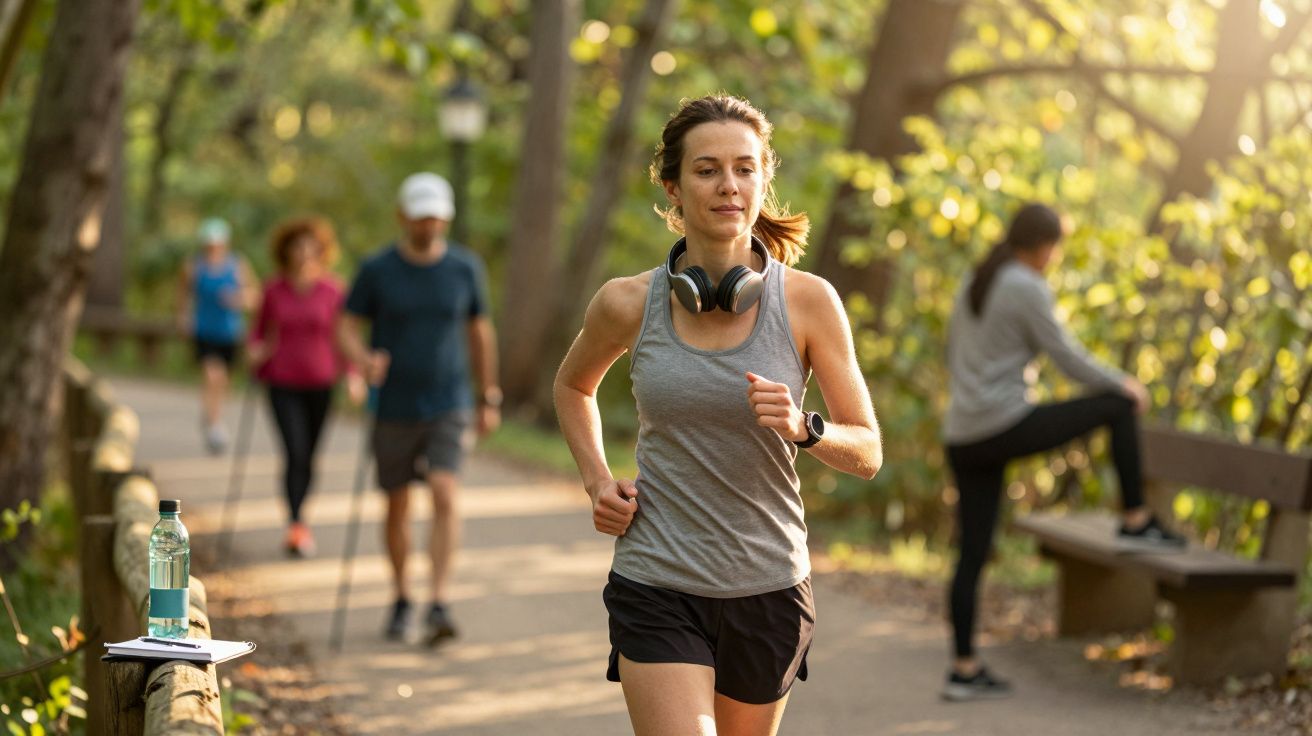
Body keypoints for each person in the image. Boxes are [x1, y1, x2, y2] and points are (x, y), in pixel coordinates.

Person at [554, 95, 883, 736]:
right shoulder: (625, 303)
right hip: (657, 578)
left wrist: (804, 427)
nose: (728, 185)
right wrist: (597, 479)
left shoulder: (811, 302)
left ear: (764, 179)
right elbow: (572, 386)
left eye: (744, 168)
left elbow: (868, 451)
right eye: (707, 170)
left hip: (770, 586)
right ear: (674, 187)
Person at [941, 202, 1185, 702]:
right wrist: (1123, 383)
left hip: (963, 435)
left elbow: (953, 353)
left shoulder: (977, 280)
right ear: (1044, 246)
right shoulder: (1024, 284)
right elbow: (1067, 357)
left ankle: (963, 669)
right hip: (1002, 425)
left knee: (971, 555)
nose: (1055, 258)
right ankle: (1136, 517)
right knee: (1117, 406)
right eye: (1056, 248)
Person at [337, 172, 501, 646]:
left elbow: (479, 332)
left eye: (437, 217)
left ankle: (439, 600)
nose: (429, 225)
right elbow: (346, 326)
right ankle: (402, 595)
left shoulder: (465, 268)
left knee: (445, 492)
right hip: (393, 404)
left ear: (445, 218)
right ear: (402, 216)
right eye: (421, 216)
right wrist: (363, 359)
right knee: (397, 503)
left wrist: (489, 394)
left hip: (449, 400)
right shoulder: (377, 269)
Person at [247, 217, 364, 557]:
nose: (303, 252)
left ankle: (301, 519)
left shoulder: (333, 290)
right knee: (295, 451)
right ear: (286, 250)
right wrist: (255, 350)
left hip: (322, 383)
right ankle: (296, 524)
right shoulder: (273, 289)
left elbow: (344, 336)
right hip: (281, 381)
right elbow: (257, 331)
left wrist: (353, 374)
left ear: (321, 250)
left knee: (309, 455)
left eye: (310, 245)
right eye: (297, 245)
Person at [176, 217, 258, 455]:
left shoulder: (237, 265)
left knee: (223, 381)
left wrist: (239, 299)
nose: (214, 247)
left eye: (218, 243)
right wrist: (183, 318)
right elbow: (183, 295)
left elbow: (254, 296)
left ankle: (213, 416)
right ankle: (214, 425)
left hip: (230, 332)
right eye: (210, 243)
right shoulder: (193, 266)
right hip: (204, 331)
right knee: (213, 375)